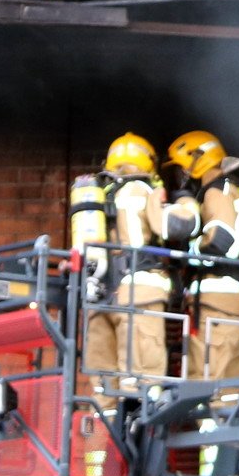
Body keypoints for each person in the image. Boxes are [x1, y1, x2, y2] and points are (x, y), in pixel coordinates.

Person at [161, 129, 239, 383]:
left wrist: (186, 251)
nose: (181, 177)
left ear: (197, 162)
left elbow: (220, 242)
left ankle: (208, 422)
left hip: (216, 301)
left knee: (206, 379)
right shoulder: (237, 190)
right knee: (227, 384)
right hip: (234, 298)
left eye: (182, 169)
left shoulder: (216, 192)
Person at [70, 132, 171, 396]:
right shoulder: (144, 190)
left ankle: (97, 438)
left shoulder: (97, 196)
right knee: (143, 380)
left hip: (99, 295)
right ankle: (142, 429)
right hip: (140, 292)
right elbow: (167, 228)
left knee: (103, 389)